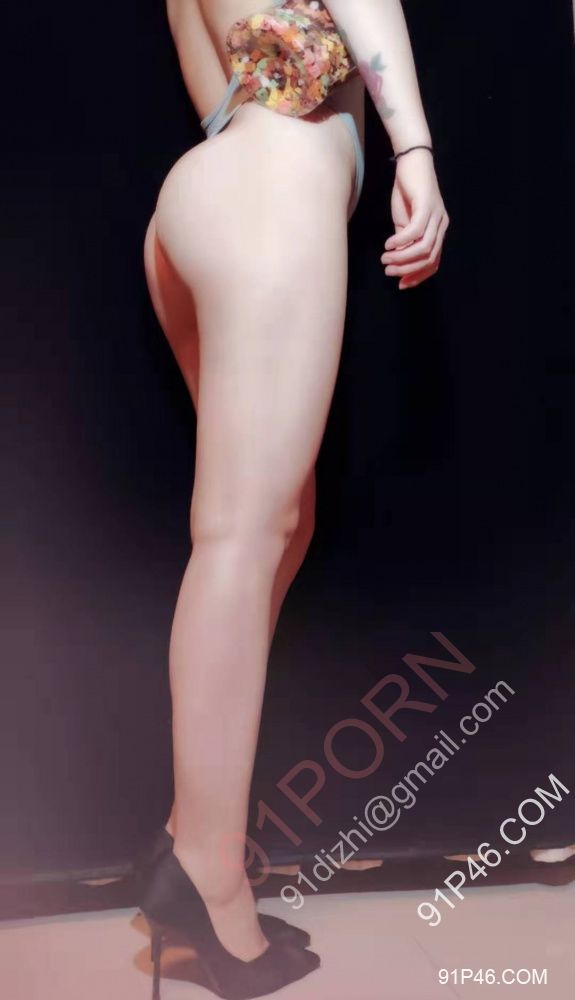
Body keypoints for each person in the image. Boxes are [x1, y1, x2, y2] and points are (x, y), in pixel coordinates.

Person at [138, 1, 449, 997]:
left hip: (203, 189)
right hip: (271, 188)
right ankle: (205, 873)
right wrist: (413, 147)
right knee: (241, 536)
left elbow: (228, 77)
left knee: (275, 526)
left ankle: (191, 834)